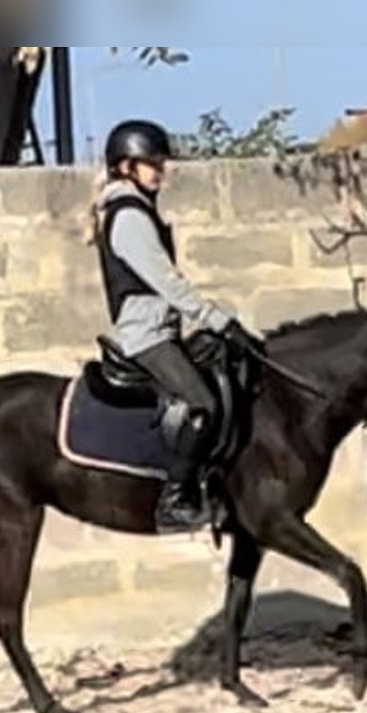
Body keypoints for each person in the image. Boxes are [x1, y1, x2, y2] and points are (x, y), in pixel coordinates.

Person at [89, 118, 259, 531]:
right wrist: (217, 319)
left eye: (161, 163)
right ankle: (176, 499)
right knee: (203, 404)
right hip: (146, 336)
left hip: (163, 330)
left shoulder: (137, 209)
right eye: (153, 164)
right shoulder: (128, 216)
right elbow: (166, 281)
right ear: (126, 166)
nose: (161, 172)